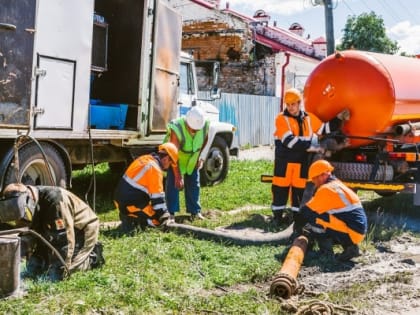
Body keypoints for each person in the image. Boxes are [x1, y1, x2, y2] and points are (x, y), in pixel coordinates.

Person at [271, 87, 349, 225]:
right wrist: (312, 146)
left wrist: (338, 119)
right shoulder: (281, 119)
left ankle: (296, 217)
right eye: (288, 105)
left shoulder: (308, 118)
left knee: (299, 190)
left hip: (301, 161)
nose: (290, 107)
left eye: (293, 104)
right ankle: (277, 217)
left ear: (299, 103)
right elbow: (290, 142)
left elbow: (323, 129)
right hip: (284, 161)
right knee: (280, 188)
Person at [0, 183, 105, 281]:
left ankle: (93, 257)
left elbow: (65, 240)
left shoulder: (54, 200)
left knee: (70, 268)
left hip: (81, 229)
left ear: (29, 201)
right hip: (50, 231)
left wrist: (59, 272)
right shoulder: (26, 205)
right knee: (39, 266)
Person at [296, 159, 368, 261]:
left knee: (315, 218)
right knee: (321, 216)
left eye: (314, 179)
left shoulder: (326, 189)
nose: (314, 182)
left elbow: (306, 212)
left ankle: (326, 252)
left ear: (323, 175)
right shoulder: (337, 184)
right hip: (356, 231)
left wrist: (297, 228)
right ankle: (351, 247)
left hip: (352, 232)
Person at [113, 142, 178, 233]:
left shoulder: (145, 159)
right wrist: (165, 217)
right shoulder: (154, 169)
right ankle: (134, 222)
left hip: (121, 201)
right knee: (156, 221)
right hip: (131, 204)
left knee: (151, 212)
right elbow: (157, 199)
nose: (169, 166)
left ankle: (128, 216)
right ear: (167, 159)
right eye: (171, 163)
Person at [164, 106, 210, 222]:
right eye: (193, 130)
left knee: (194, 184)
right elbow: (173, 153)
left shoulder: (204, 125)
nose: (195, 132)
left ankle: (195, 212)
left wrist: (199, 157)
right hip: (175, 158)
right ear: (187, 123)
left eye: (197, 130)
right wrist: (178, 176)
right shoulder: (177, 127)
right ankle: (171, 213)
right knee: (173, 184)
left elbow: (205, 139)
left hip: (191, 158)